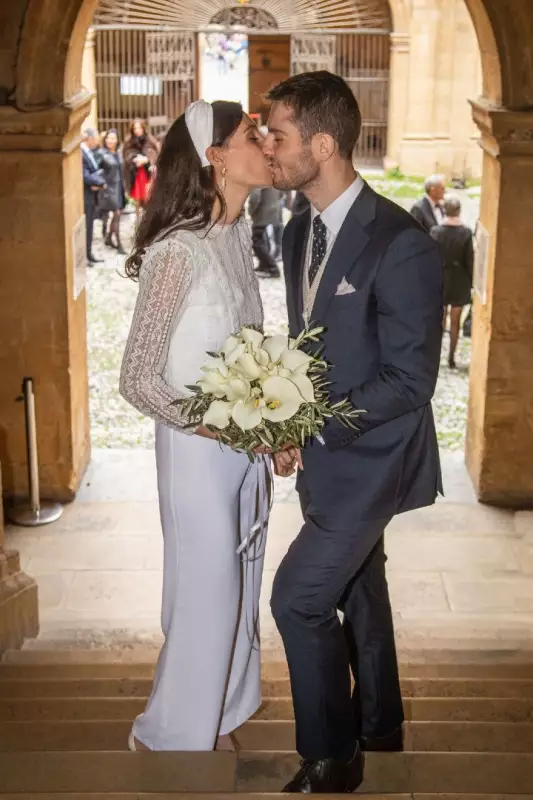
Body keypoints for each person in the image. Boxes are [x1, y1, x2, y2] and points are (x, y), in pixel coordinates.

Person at [263, 71, 444, 793]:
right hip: (323, 458)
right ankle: (380, 721)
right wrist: (281, 412)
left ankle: (334, 758)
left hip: (373, 459)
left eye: (277, 135)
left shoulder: (400, 242)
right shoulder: (298, 224)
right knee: (359, 588)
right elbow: (308, 342)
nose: (267, 148)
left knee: (298, 598)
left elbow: (410, 380)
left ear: (324, 143)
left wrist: (310, 429)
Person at [119, 100, 273, 752]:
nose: (264, 143)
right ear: (215, 157)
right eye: (250, 135)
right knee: (207, 592)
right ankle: (172, 736)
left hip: (242, 451)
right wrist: (223, 427)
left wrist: (272, 426)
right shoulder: (177, 254)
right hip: (196, 456)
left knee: (240, 583)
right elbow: (139, 380)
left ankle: (220, 713)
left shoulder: (237, 238)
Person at [430, 194, 474, 368]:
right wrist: (472, 283)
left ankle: (434, 357)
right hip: (459, 281)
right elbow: (470, 260)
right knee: (455, 322)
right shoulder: (466, 233)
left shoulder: (435, 231)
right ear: (459, 211)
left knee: (439, 321)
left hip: (440, 280)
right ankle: (451, 357)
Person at [98, 129, 127, 255]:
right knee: (117, 214)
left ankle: (109, 238)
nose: (111, 140)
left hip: (119, 188)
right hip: (108, 189)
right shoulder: (101, 153)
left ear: (117, 140)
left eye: (113, 138)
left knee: (117, 214)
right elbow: (96, 171)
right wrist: (100, 183)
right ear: (105, 140)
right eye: (109, 138)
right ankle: (119, 244)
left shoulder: (119, 153)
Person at [123, 119, 160, 218]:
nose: (137, 130)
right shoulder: (129, 141)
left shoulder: (150, 140)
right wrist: (135, 160)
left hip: (148, 173)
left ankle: (148, 220)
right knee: (138, 200)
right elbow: (127, 156)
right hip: (135, 174)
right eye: (135, 128)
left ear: (143, 128)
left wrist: (146, 159)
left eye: (139, 127)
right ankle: (138, 221)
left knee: (149, 198)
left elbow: (156, 155)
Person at [81, 128, 106, 266]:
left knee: (90, 226)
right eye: (95, 137)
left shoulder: (88, 152)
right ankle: (86, 255)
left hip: (92, 194)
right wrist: (100, 182)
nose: (97, 140)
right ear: (89, 138)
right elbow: (84, 175)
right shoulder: (80, 152)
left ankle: (89, 254)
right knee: (86, 226)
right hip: (86, 195)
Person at [248, 186, 284, 278]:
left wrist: (251, 211)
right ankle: (263, 266)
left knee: (256, 241)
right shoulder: (271, 177)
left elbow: (255, 197)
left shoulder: (258, 178)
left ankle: (272, 268)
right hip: (272, 212)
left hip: (262, 214)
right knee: (261, 241)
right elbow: (281, 194)